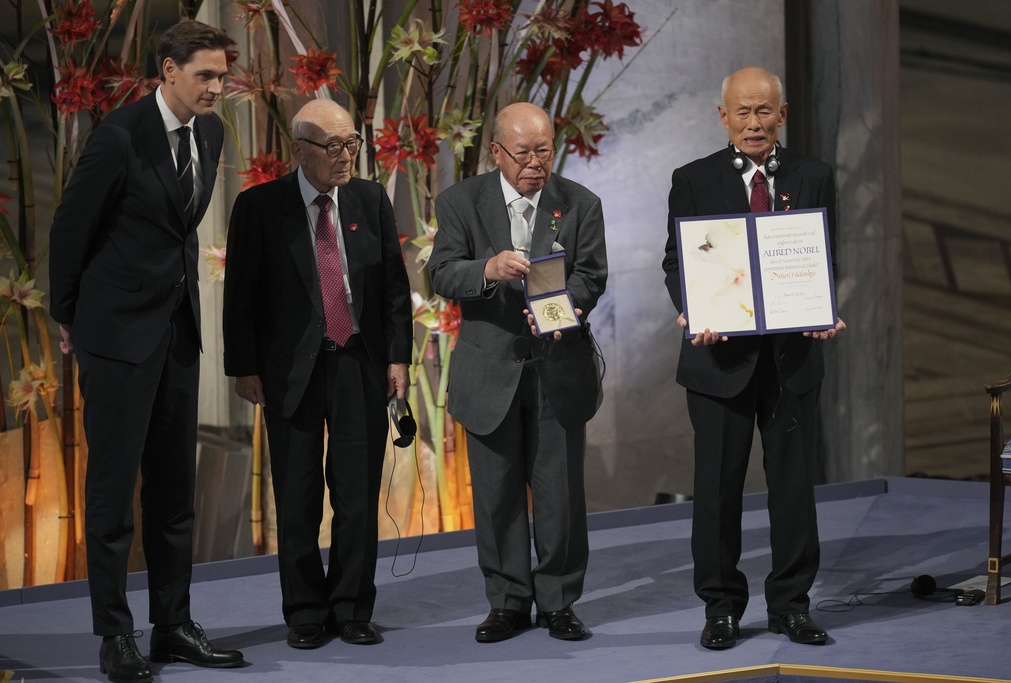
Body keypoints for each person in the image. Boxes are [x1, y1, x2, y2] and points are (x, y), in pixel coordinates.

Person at [47, 19, 242, 683]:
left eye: (221, 75)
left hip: (177, 333)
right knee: (111, 496)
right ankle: (114, 635)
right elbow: (72, 229)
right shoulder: (118, 136)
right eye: (205, 76)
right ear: (167, 71)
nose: (217, 87)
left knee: (173, 491)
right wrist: (67, 315)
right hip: (115, 336)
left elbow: (176, 230)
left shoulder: (211, 132)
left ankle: (173, 625)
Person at [661, 66, 846, 651]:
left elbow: (823, 255)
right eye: (741, 112)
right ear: (723, 118)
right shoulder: (692, 179)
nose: (753, 123)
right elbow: (676, 261)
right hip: (719, 364)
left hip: (791, 360)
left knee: (793, 488)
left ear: (782, 115)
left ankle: (791, 605)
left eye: (764, 111)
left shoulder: (813, 175)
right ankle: (721, 609)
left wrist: (825, 308)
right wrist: (692, 308)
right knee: (717, 490)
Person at [222, 99, 412, 650]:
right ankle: (305, 611)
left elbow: (393, 288)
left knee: (356, 495)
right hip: (289, 371)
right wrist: (244, 367)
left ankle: (351, 607)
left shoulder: (369, 198)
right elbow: (241, 297)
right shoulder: (259, 206)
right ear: (300, 149)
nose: (347, 155)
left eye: (352, 143)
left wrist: (397, 358)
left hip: (359, 362)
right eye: (334, 146)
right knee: (298, 495)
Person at [428, 102, 607, 642]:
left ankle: (558, 599)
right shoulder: (461, 201)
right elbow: (441, 271)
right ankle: (507, 601)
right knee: (496, 492)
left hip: (557, 364)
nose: (536, 162)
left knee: (559, 494)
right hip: (489, 371)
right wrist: (488, 269)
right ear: (496, 151)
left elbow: (592, 276)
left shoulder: (580, 203)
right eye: (524, 152)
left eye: (545, 150)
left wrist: (562, 307)